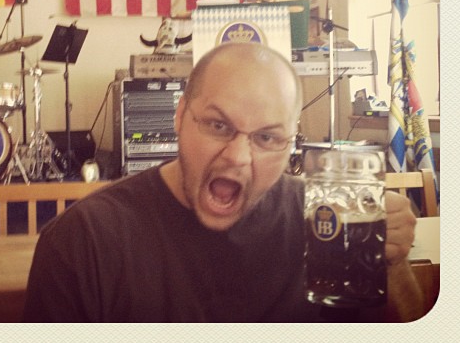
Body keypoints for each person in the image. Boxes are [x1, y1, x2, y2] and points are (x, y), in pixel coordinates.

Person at [23, 42, 424, 322]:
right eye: (217, 125)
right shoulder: (84, 241)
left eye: (267, 137)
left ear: (291, 144)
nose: (238, 156)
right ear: (180, 117)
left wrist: (390, 261)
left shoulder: (324, 221)